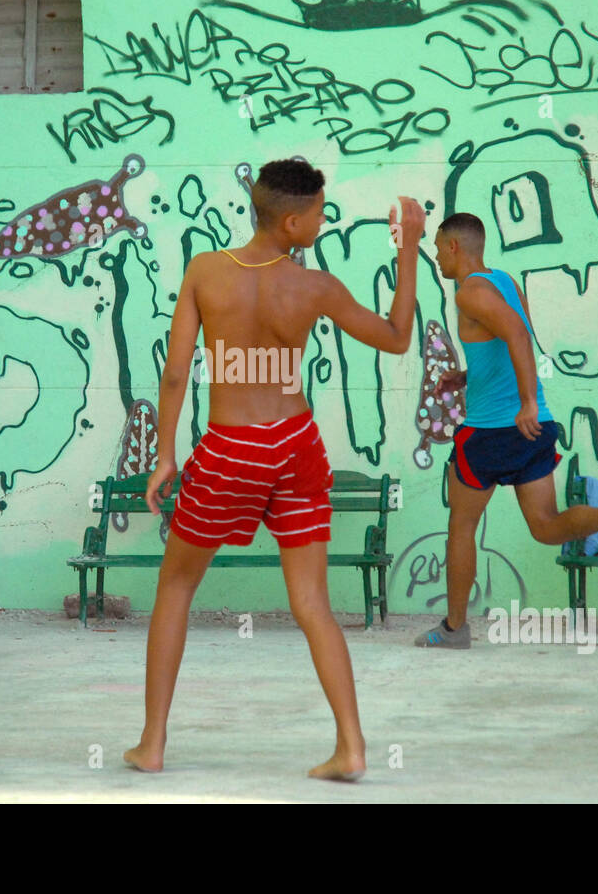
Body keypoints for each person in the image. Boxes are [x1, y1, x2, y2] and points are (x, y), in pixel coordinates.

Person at [123, 159, 425, 780]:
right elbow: (397, 337)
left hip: (230, 448)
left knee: (176, 586)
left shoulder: (206, 271)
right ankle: (352, 748)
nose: (324, 218)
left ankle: (152, 745)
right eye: (318, 211)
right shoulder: (315, 288)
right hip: (293, 443)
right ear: (292, 221)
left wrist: (165, 454)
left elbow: (176, 372)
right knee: (312, 600)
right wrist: (410, 249)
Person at [415, 212, 598, 650]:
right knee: (544, 526)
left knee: (462, 527)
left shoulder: (469, 292)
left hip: (490, 432)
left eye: (436, 246)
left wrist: (523, 400)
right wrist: (467, 377)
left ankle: (454, 629)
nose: (434, 255)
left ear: (453, 246)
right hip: (532, 426)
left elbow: (519, 338)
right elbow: (505, 342)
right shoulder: (504, 280)